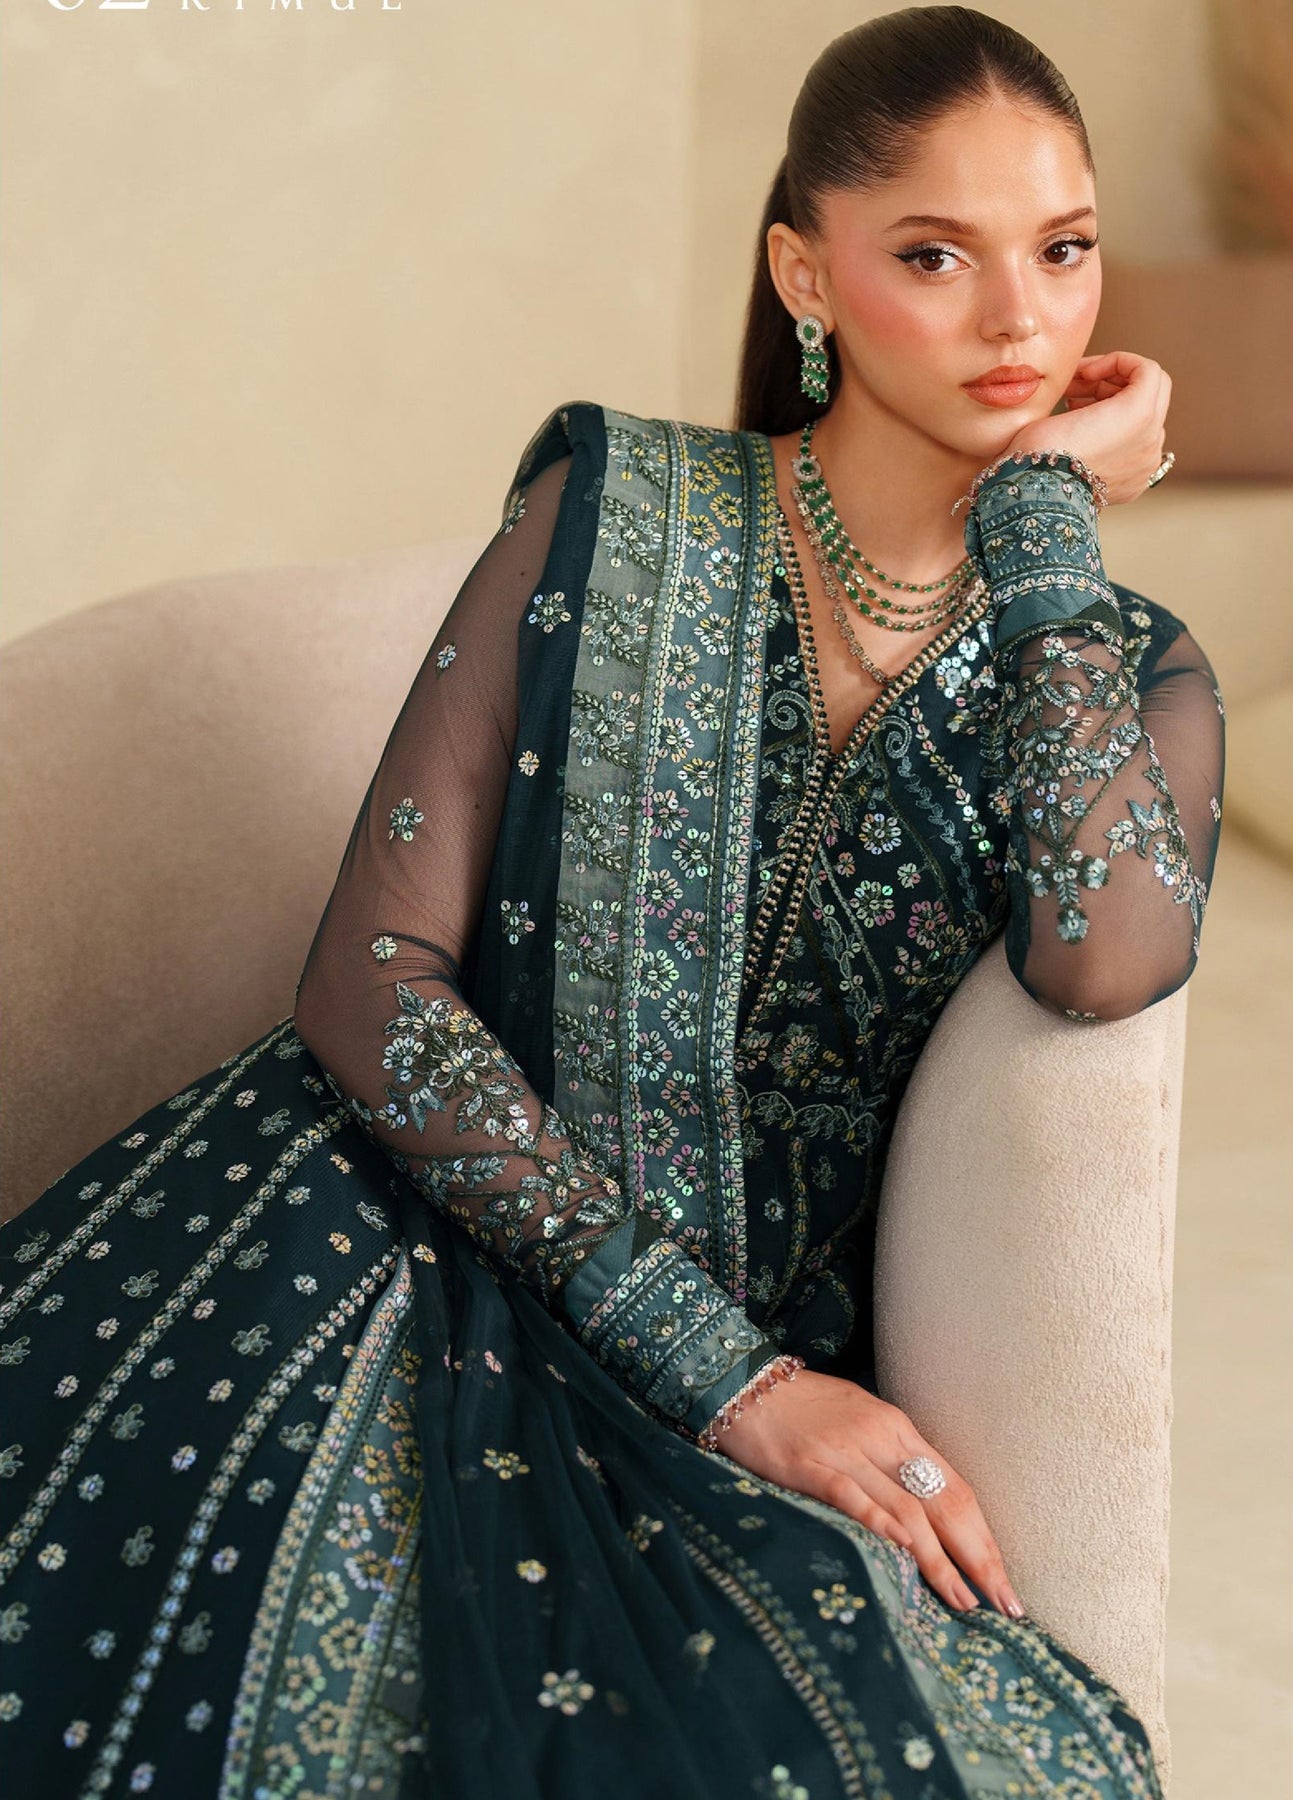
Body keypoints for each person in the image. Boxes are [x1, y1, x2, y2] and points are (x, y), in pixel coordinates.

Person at [0, 8, 1224, 1796]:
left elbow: (1104, 961)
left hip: (745, 1379)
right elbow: (368, 983)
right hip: (386, 1236)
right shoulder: (611, 512)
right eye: (932, 255)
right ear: (802, 275)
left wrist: (1039, 521)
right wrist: (732, 1380)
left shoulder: (1119, 670)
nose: (1017, 320)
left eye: (1061, 250)